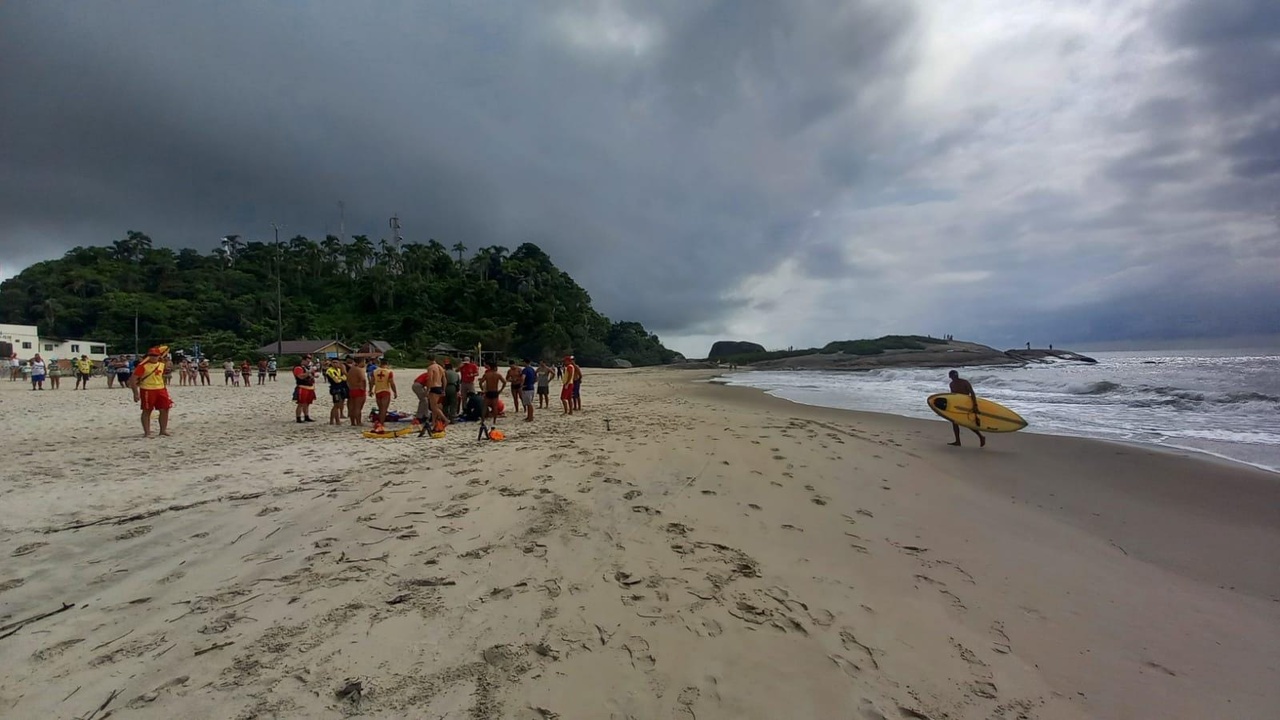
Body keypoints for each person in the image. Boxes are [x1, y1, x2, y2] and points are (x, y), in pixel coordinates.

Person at [129, 346, 173, 437]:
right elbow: (133, 379)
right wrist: (135, 393)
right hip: (147, 390)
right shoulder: (142, 366)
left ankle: (163, 430)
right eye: (151, 355)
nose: (153, 357)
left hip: (161, 389)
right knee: (147, 410)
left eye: (155, 355)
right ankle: (147, 432)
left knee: (165, 409)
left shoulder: (161, 364)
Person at [946, 370, 986, 448]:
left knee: (967, 423)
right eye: (953, 376)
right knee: (954, 423)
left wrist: (975, 405)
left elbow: (972, 393)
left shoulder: (964, 382)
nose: (955, 377)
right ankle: (958, 441)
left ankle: (981, 436)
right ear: (950, 377)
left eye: (956, 375)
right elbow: (953, 396)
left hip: (966, 404)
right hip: (957, 405)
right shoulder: (951, 384)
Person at [371, 357, 397, 427]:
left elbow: (371, 382)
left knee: (380, 408)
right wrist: (395, 392)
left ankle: (380, 421)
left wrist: (370, 390)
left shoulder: (374, 371)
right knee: (384, 409)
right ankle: (381, 423)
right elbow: (392, 383)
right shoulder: (389, 372)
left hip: (377, 391)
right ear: (387, 364)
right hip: (385, 391)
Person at [325, 358, 349, 425]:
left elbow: (345, 378)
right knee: (336, 405)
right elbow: (336, 380)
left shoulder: (339, 370)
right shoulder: (330, 370)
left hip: (340, 388)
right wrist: (341, 378)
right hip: (335, 389)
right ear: (331, 363)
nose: (335, 364)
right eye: (333, 362)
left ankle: (332, 420)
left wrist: (341, 378)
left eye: (336, 362)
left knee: (339, 404)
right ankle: (336, 420)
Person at [293, 358, 316, 423]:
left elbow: (312, 376)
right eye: (307, 361)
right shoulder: (298, 368)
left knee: (307, 403)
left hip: (310, 387)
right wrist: (309, 372)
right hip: (302, 387)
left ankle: (306, 416)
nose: (308, 362)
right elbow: (300, 376)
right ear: (303, 361)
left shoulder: (307, 368)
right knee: (301, 403)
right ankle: (298, 418)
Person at [347, 357, 368, 426]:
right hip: (359, 389)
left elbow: (348, 380)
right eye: (364, 362)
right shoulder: (359, 370)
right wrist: (364, 388)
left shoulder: (351, 370)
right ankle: (358, 422)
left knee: (352, 407)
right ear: (361, 362)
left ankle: (353, 422)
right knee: (358, 407)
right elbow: (363, 380)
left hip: (352, 389)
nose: (365, 363)